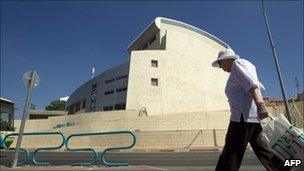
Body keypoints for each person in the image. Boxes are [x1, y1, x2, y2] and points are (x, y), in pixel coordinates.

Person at [212, 48, 290, 171]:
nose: (221, 67)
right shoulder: (240, 69)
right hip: (250, 118)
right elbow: (253, 86)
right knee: (264, 151)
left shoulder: (238, 64)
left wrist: (261, 105)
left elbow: (253, 85)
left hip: (242, 118)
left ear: (226, 60)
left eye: (220, 63)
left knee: (231, 153)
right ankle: (287, 168)